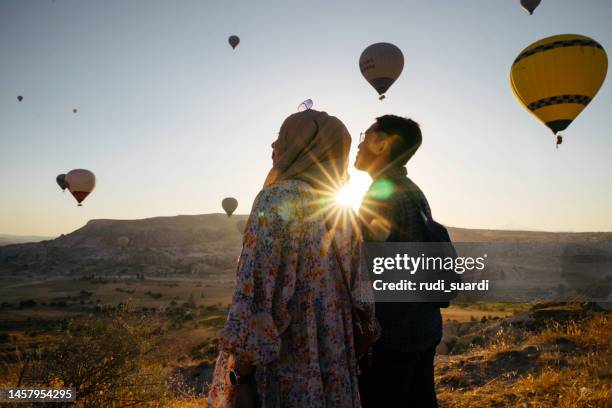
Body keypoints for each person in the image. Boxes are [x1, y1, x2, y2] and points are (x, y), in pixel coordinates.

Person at [207, 109, 378, 408]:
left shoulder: (277, 198)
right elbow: (363, 292)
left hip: (289, 363)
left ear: (305, 145)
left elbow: (257, 294)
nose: (273, 147)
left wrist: (241, 375)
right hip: (336, 361)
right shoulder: (344, 210)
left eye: (281, 138)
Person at [355, 115, 441, 407]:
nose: (358, 146)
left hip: (393, 335)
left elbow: (365, 269)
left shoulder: (382, 193)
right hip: (422, 325)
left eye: (364, 137)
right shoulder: (412, 190)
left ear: (380, 143)